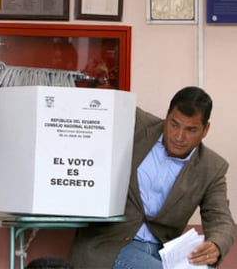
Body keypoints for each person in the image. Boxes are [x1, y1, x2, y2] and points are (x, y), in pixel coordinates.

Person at [68, 86, 235, 268]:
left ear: (205, 129)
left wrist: (216, 245)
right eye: (174, 124)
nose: (179, 136)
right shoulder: (136, 125)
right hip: (110, 243)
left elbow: (221, 219)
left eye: (191, 130)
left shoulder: (212, 167)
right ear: (167, 116)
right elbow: (92, 106)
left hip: (164, 252)